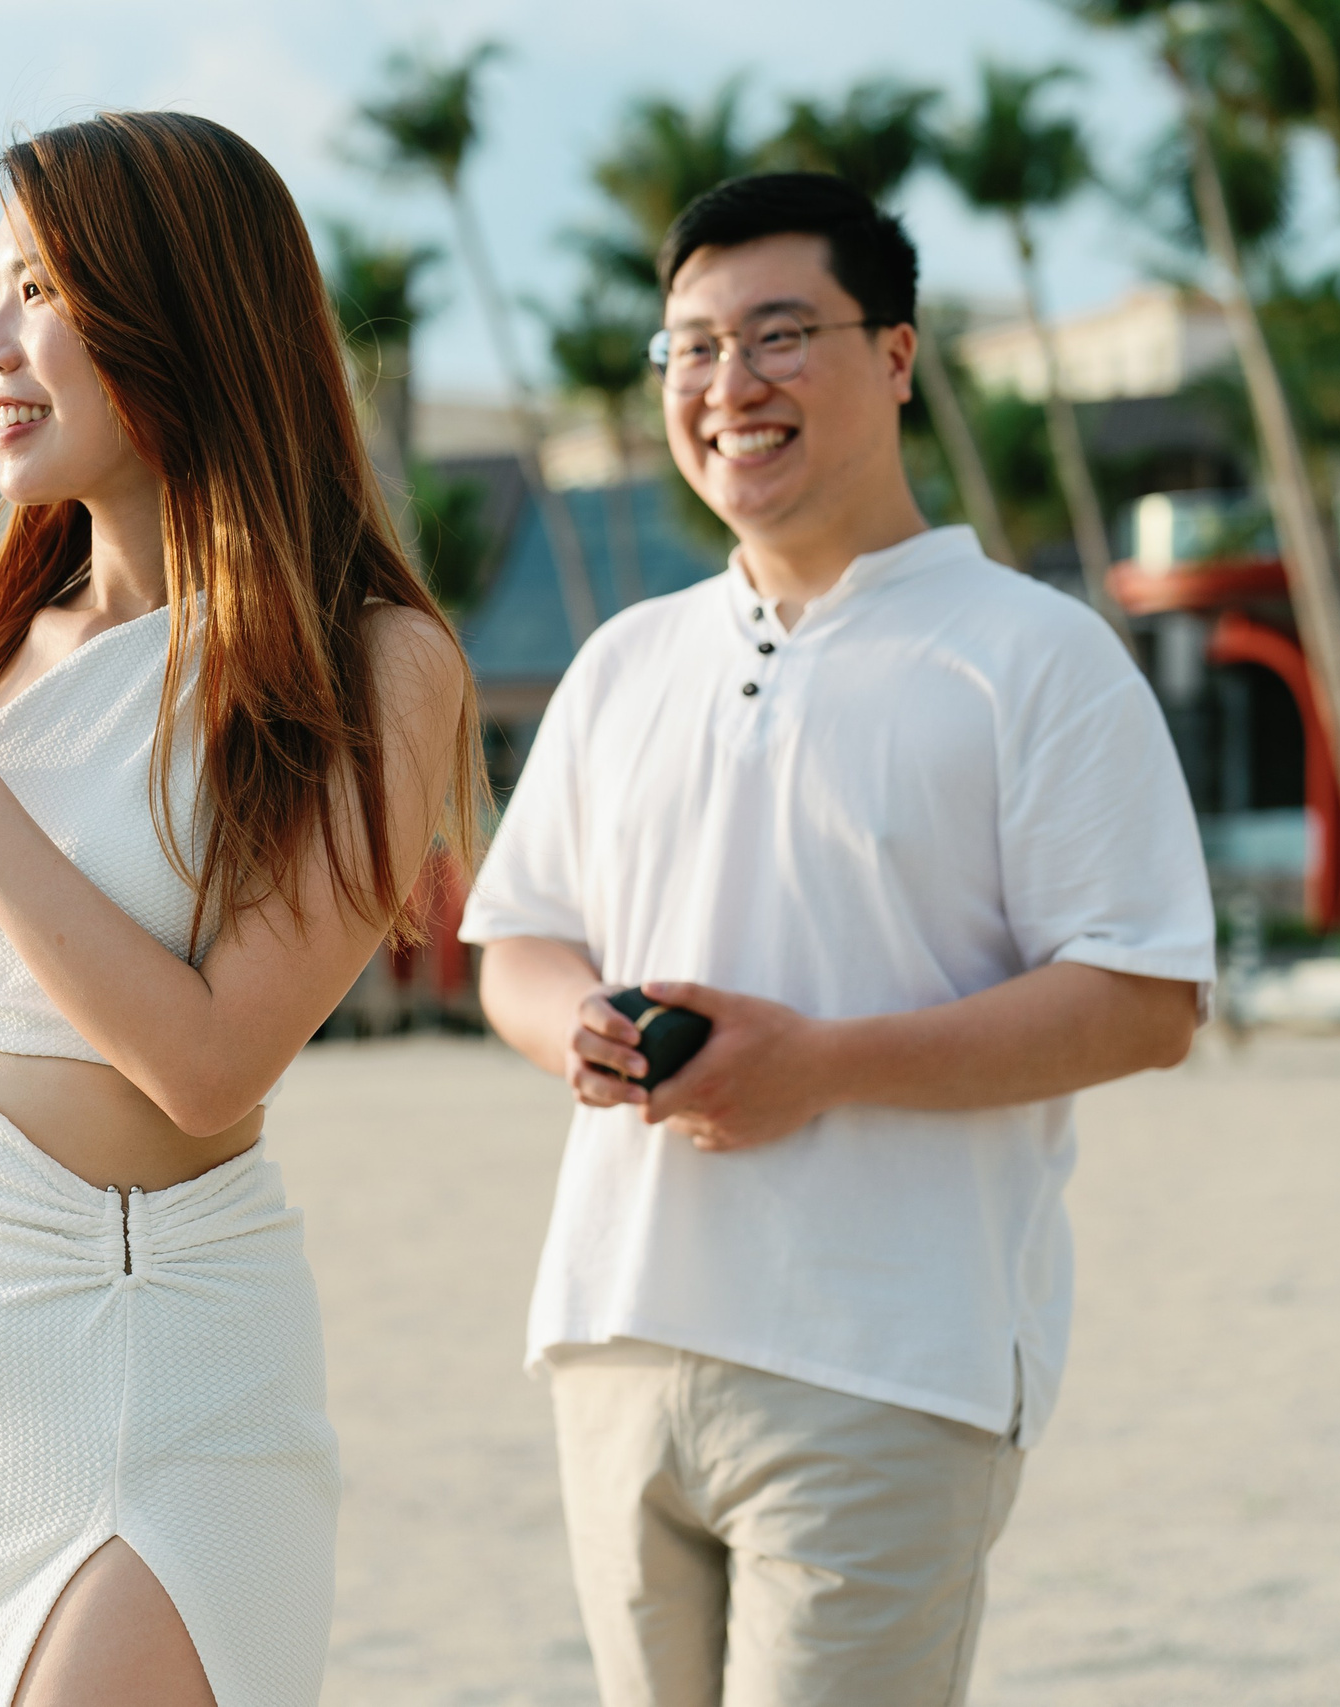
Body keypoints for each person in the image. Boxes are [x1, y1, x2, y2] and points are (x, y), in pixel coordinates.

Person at [461, 172, 1216, 1707]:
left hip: (885, 1355)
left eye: (781, 334)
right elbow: (518, 945)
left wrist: (822, 1067)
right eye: (691, 348)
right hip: (614, 1329)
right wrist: (580, 1031)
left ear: (895, 356)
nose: (730, 385)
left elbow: (1145, 998)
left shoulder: (1035, 655)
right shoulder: (623, 661)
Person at [0, 111, 480, 1707]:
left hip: (162, 1345)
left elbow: (210, 1066)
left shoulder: (371, 660)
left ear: (179, 310)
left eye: (39, 289)